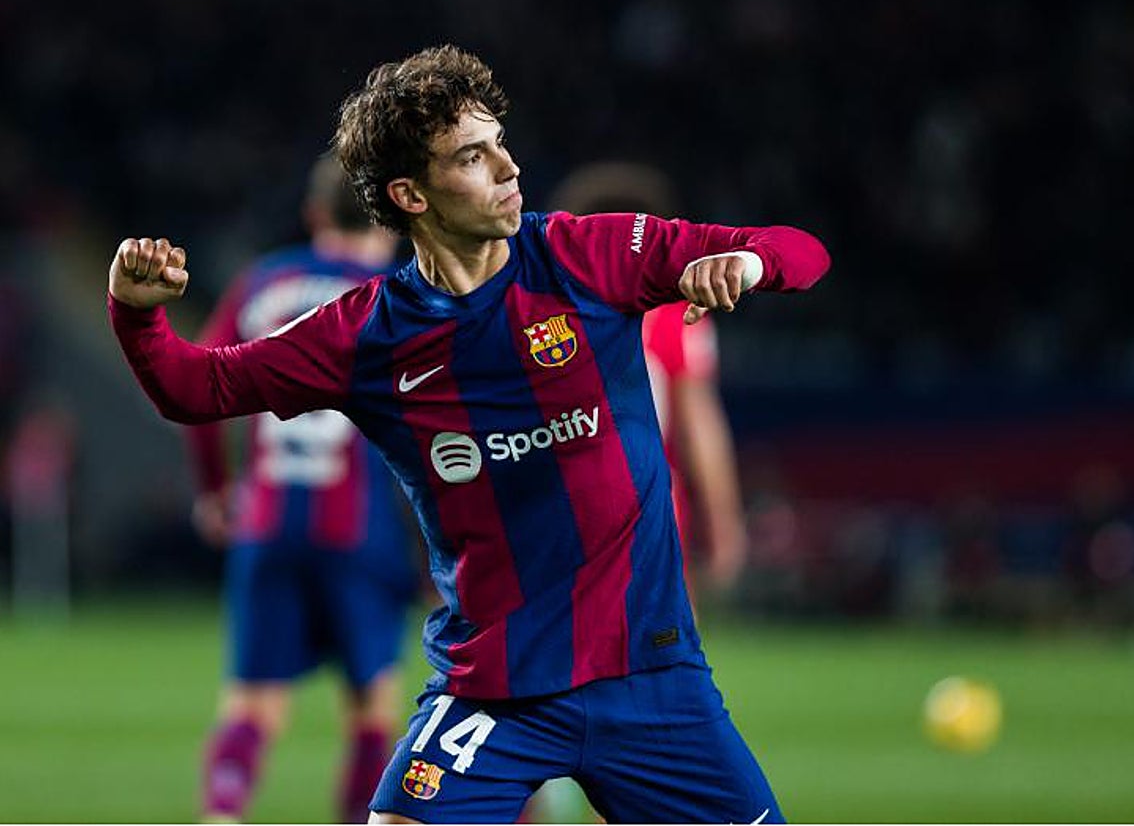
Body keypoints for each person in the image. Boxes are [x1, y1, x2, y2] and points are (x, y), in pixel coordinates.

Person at [106, 45, 829, 823]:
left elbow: (802, 250)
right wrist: (135, 310)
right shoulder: (364, 335)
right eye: (474, 156)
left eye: (500, 142)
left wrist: (746, 267)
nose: (509, 167)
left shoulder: (587, 254)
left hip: (652, 679)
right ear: (410, 193)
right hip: (494, 693)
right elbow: (197, 387)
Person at [185, 155, 420, 823]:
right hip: (359, 528)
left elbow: (200, 390)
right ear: (396, 217)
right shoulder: (395, 292)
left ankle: (222, 815)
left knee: (254, 702)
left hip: (266, 519)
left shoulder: (265, 280)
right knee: (372, 709)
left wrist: (214, 491)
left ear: (315, 214)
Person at [550, 162, 750, 605]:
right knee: (670, 660)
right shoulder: (674, 310)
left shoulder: (539, 308)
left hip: (559, 505)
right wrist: (724, 518)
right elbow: (698, 418)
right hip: (645, 504)